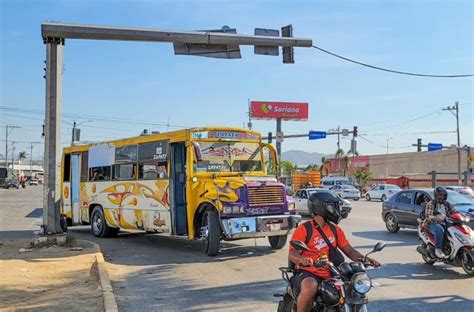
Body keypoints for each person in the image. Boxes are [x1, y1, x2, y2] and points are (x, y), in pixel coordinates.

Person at [289, 192, 380, 312]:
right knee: (310, 286)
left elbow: (349, 250)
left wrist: (366, 259)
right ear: (320, 208)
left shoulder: (335, 229)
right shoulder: (304, 229)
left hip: (333, 271)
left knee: (355, 288)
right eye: (332, 206)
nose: (335, 209)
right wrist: (303, 260)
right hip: (309, 271)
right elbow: (293, 253)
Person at [423, 186, 457, 258]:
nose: (441, 196)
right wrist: (437, 218)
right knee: (439, 229)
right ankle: (438, 249)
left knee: (455, 229)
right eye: (440, 195)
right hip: (431, 223)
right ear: (436, 195)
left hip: (445, 223)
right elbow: (428, 215)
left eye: (443, 195)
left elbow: (455, 212)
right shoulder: (431, 203)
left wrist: (463, 216)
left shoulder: (447, 204)